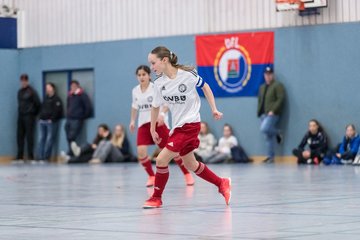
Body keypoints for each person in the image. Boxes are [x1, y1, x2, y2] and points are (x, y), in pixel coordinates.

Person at [143, 46, 231, 209]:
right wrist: (152, 129)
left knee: (161, 159)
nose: (151, 67)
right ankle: (221, 183)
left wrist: (214, 108)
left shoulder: (187, 76)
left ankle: (156, 198)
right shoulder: (159, 83)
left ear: (164, 60)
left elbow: (205, 87)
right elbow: (155, 106)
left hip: (190, 124)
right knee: (191, 164)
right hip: (177, 127)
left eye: (153, 63)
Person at [129, 65, 195, 187]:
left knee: (173, 152)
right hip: (144, 124)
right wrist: (132, 121)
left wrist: (162, 114)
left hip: (159, 123)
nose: (141, 77)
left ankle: (187, 174)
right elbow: (134, 107)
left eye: (144, 74)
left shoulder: (157, 87)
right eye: (139, 75)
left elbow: (167, 103)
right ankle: (151, 176)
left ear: (149, 75)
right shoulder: (135, 91)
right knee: (141, 152)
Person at [257, 67, 285, 163]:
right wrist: (259, 112)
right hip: (263, 114)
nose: (268, 76)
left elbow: (280, 99)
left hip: (273, 114)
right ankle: (270, 156)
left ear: (272, 75)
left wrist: (273, 110)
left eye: (270, 74)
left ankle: (278, 132)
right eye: (266, 74)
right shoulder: (262, 87)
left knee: (264, 129)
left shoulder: (278, 85)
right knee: (268, 137)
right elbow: (260, 100)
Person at [16, 74, 41, 161]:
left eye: (24, 81)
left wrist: (34, 114)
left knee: (29, 136)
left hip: (29, 116)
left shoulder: (32, 91)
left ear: (27, 81)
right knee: (20, 136)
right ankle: (20, 156)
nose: (23, 82)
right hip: (21, 115)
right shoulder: (19, 91)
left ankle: (30, 156)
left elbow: (38, 104)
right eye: (21, 81)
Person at [37, 83, 63, 162]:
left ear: (53, 88)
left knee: (49, 139)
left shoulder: (57, 99)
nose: (47, 89)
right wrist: (40, 117)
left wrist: (52, 119)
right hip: (42, 121)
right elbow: (41, 108)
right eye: (46, 87)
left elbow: (58, 111)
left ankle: (46, 157)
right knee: (41, 139)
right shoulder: (45, 98)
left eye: (49, 87)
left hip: (51, 122)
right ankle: (40, 157)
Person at [65, 80, 92, 156]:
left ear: (78, 86)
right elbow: (68, 106)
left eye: (74, 86)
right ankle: (71, 151)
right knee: (68, 136)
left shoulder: (82, 95)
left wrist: (82, 116)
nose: (72, 87)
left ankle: (72, 153)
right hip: (69, 118)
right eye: (71, 86)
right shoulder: (70, 95)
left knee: (72, 136)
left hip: (77, 119)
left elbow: (88, 107)